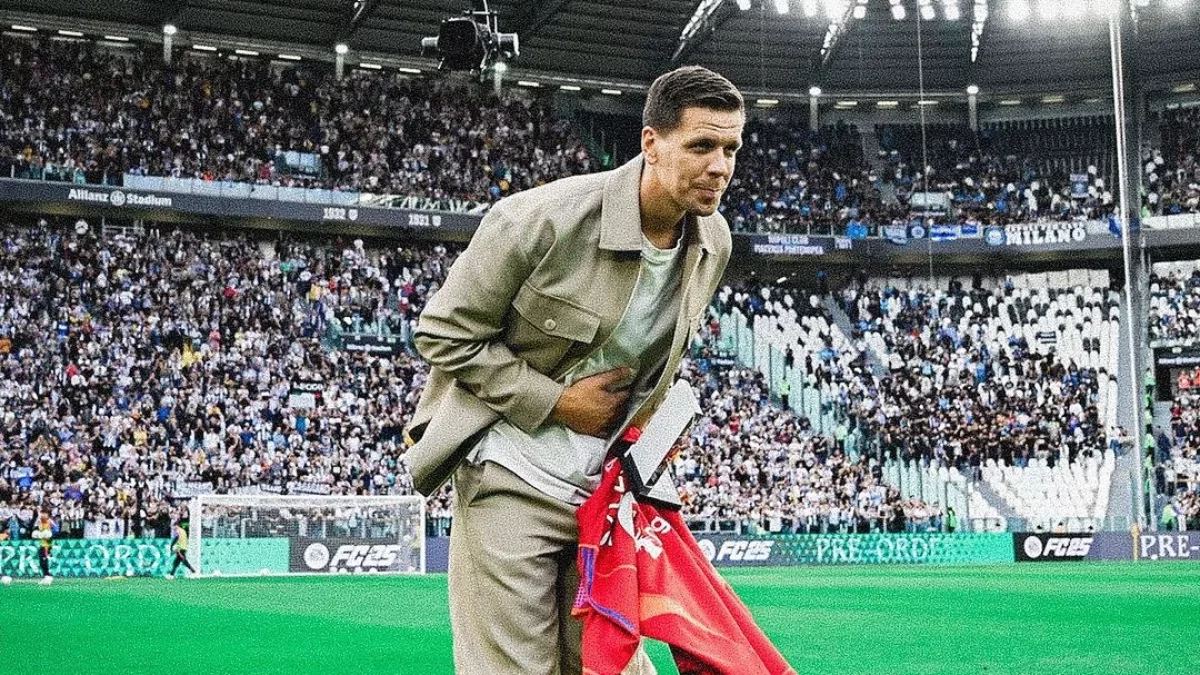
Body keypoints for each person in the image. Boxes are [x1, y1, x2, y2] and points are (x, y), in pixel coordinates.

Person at [408, 65, 744, 675]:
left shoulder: (714, 240)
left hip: (604, 495)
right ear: (651, 143)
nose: (719, 166)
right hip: (510, 475)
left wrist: (650, 439)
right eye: (701, 146)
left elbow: (656, 362)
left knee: (612, 668)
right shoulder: (538, 220)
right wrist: (557, 402)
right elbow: (442, 332)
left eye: (730, 149)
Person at [31, 512, 55, 585]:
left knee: (44, 561)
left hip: (46, 546)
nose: (42, 517)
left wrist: (46, 537)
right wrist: (37, 535)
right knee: (42, 562)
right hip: (42, 545)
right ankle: (46, 576)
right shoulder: (41, 525)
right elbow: (36, 531)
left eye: (44, 516)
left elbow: (49, 537)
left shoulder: (48, 524)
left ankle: (48, 576)